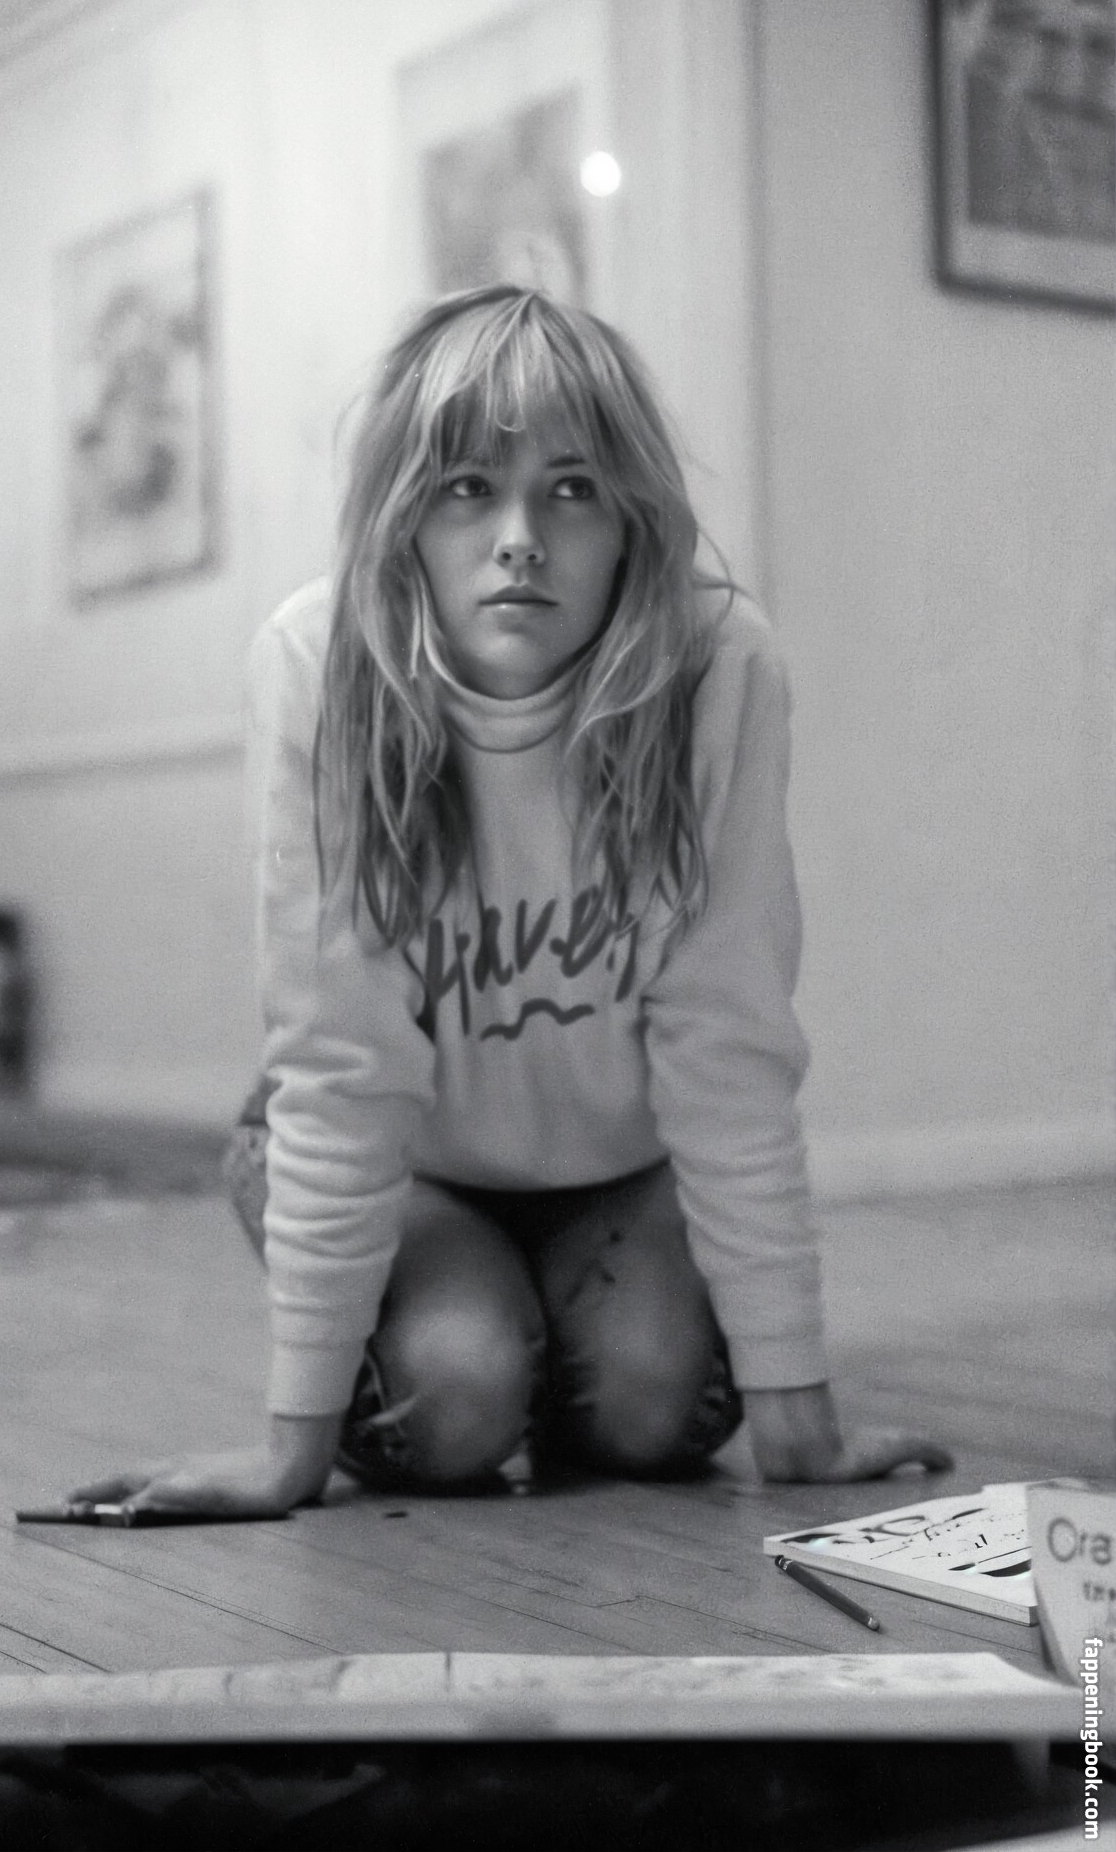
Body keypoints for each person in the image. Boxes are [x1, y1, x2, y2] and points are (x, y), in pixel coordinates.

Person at [71, 286, 948, 1522]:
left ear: (634, 518)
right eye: (468, 488)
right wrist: (291, 1452)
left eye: (573, 488)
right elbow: (341, 1063)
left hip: (618, 1163)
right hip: (412, 1154)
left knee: (653, 1411)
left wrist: (798, 1419)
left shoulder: (719, 668)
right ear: (403, 517)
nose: (521, 537)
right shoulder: (317, 665)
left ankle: (542, 1318)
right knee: (454, 1402)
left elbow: (728, 1043)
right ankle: (490, 1322)